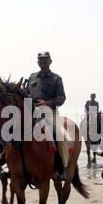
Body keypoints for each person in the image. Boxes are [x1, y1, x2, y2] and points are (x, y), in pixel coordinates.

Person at [26, 51, 69, 181]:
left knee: (60, 135)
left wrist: (48, 102)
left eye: (45, 59)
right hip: (32, 112)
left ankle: (62, 168)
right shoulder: (32, 77)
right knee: (14, 132)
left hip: (50, 112)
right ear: (38, 62)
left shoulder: (56, 78)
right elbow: (27, 94)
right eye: (40, 60)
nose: (43, 61)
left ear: (50, 61)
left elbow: (62, 98)